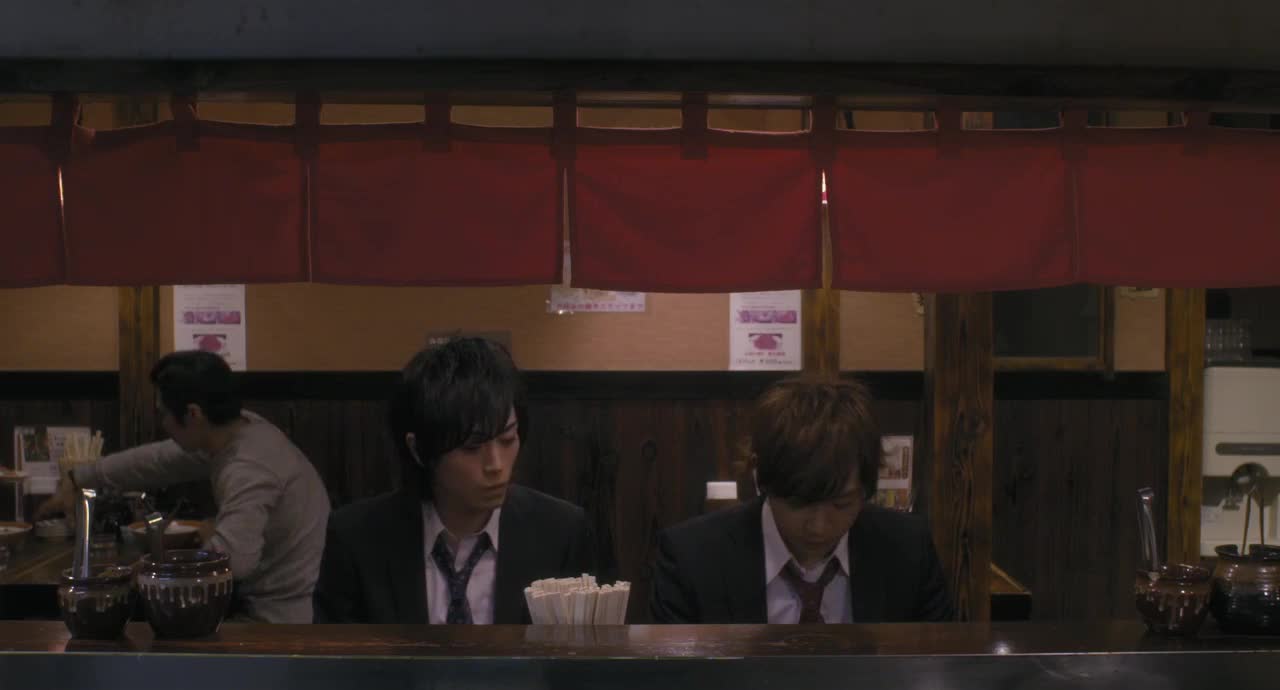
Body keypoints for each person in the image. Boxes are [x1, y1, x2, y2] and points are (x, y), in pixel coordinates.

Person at [36, 350, 330, 624]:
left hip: (278, 620)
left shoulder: (248, 467)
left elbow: (235, 560)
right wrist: (78, 478)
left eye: (163, 413)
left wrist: (152, 568)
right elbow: (157, 461)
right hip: (256, 601)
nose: (163, 422)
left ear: (193, 414)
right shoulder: (239, 430)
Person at [313, 337, 592, 624]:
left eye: (507, 439)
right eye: (472, 447)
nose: (496, 465)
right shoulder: (357, 538)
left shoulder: (560, 533)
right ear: (418, 450)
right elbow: (336, 651)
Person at [649, 376, 953, 624]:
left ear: (867, 487)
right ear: (761, 479)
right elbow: (675, 674)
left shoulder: (907, 551)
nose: (819, 527)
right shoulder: (692, 559)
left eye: (841, 504)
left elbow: (939, 668)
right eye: (799, 503)